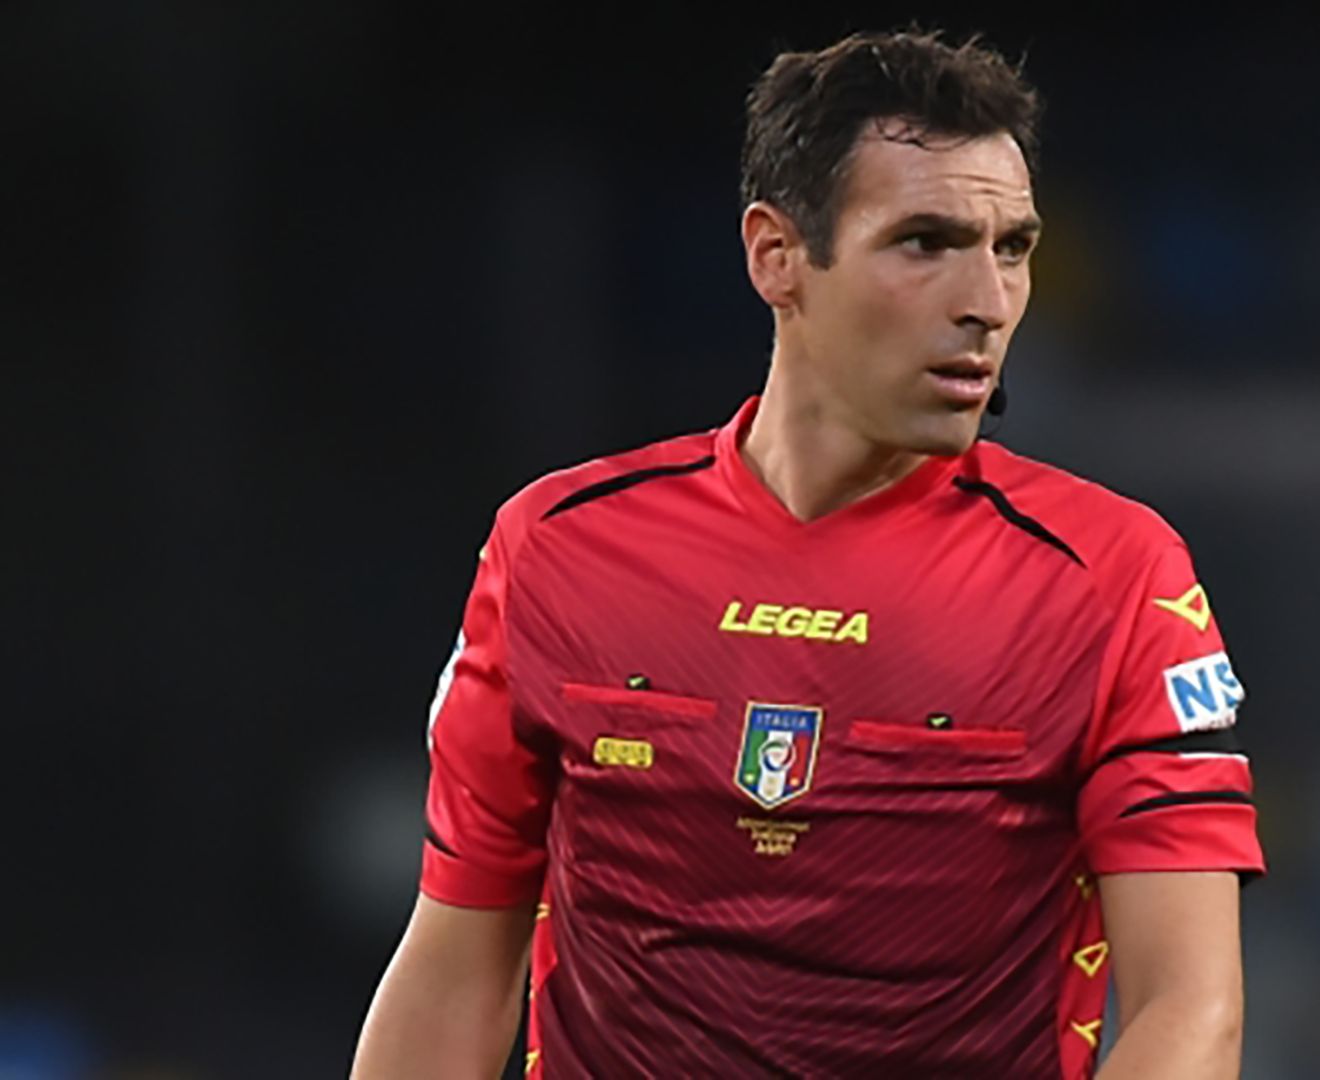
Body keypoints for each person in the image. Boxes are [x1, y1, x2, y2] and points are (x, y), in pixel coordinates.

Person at [352, 28, 1262, 1079]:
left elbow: (1189, 1009)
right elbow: (456, 967)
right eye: (925, 242)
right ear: (776, 256)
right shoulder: (557, 550)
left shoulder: (1113, 578)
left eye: (1011, 247)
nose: (988, 301)